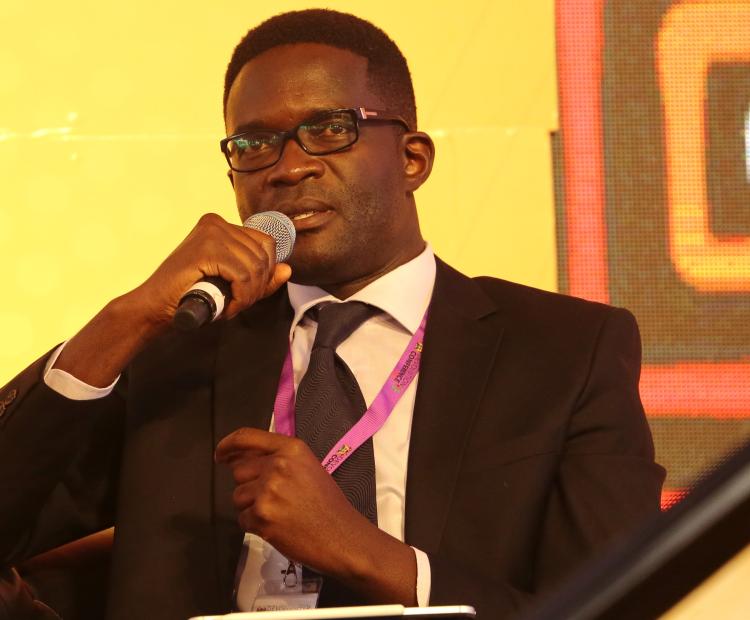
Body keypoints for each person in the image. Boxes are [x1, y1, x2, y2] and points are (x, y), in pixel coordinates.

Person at [0, 9, 665, 620]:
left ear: (412, 158)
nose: (288, 168)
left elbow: (617, 603)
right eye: (254, 145)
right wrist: (131, 313)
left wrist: (362, 552)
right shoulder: (180, 350)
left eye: (327, 130)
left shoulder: (563, 352)